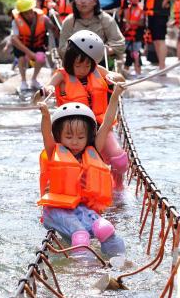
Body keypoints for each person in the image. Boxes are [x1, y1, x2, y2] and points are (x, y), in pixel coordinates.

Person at [37, 89, 127, 257]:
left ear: (88, 137)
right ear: (59, 136)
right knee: (80, 236)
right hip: (56, 210)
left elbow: (107, 123)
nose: (75, 142)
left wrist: (114, 95)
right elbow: (46, 133)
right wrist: (45, 115)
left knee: (106, 229)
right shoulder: (53, 151)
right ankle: (83, 273)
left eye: (80, 137)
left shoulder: (93, 151)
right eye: (69, 136)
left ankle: (120, 264)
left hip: (81, 208)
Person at [39, 31, 129, 190]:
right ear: (70, 61)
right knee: (68, 162)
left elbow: (120, 79)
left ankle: (118, 188)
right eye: (78, 65)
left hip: (100, 127)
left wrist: (114, 78)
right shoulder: (62, 75)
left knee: (120, 162)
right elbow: (50, 85)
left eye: (87, 65)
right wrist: (48, 90)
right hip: (72, 128)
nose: (82, 69)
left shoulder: (97, 70)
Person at [58, 0, 126, 66]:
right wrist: (79, 56)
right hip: (75, 65)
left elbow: (119, 43)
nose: (83, 1)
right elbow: (62, 48)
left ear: (95, 1)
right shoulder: (69, 21)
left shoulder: (105, 19)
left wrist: (103, 51)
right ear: (74, 2)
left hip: (101, 63)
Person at [143, 0, 180, 70]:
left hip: (160, 15)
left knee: (160, 40)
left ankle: (162, 66)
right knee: (155, 40)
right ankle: (160, 64)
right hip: (151, 15)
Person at [11, 0, 54, 91]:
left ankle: (34, 79)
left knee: (41, 57)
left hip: (37, 45)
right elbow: (14, 39)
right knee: (21, 58)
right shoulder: (15, 21)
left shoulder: (43, 18)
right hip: (22, 45)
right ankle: (23, 81)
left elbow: (54, 29)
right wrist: (29, 53)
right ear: (21, 13)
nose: (29, 14)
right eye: (26, 13)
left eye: (30, 11)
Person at [121, 0, 145, 76]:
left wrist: (131, 22)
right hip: (127, 36)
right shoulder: (127, 10)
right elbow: (125, 21)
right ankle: (125, 74)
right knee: (128, 55)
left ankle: (138, 73)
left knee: (136, 54)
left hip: (137, 36)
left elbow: (142, 23)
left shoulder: (142, 10)